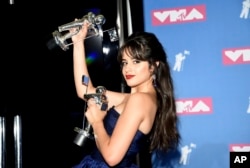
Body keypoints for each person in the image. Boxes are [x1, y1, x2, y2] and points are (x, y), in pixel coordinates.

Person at [71, 21, 181, 168]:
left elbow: (111, 157)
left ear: (154, 65)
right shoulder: (136, 98)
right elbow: (85, 91)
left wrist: (97, 122)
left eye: (136, 61)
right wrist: (78, 43)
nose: (127, 69)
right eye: (124, 62)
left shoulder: (140, 100)